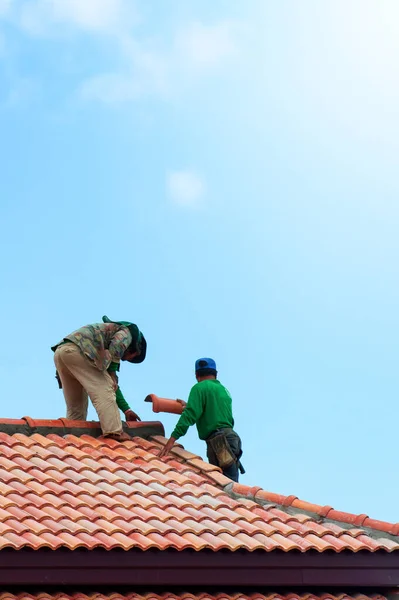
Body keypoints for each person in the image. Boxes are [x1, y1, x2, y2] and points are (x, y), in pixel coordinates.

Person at [52, 315, 147, 441]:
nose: (126, 359)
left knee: (76, 404)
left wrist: (126, 410)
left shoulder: (103, 352)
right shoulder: (128, 333)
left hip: (62, 353)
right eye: (131, 358)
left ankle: (73, 433)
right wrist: (113, 373)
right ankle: (113, 431)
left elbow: (113, 387)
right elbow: (108, 385)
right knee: (104, 389)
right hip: (79, 351)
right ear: (136, 349)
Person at [159, 358, 244, 482]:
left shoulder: (198, 388)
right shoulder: (223, 390)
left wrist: (172, 439)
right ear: (216, 374)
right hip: (231, 438)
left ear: (196, 375)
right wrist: (190, 405)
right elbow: (216, 413)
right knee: (231, 485)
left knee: (221, 484)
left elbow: (190, 415)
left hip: (219, 442)